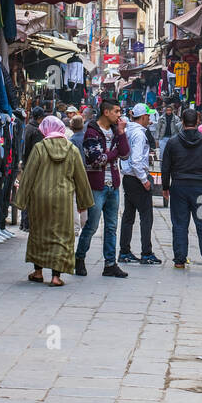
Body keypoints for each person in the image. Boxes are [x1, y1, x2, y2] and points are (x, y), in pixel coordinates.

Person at [15, 115, 93, 286]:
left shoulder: (39, 148)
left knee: (39, 233)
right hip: (63, 199)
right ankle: (56, 277)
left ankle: (37, 272)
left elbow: (28, 175)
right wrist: (84, 203)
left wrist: (21, 200)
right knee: (61, 236)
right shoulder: (71, 149)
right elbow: (81, 177)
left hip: (39, 198)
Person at [161, 106, 202, 271]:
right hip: (201, 188)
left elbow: (166, 167)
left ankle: (179, 259)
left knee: (180, 223)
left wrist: (166, 187)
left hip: (179, 188)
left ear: (182, 122)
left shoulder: (173, 142)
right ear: (198, 121)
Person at [77, 98, 131, 278]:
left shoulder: (116, 132)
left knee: (111, 226)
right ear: (106, 112)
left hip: (113, 185)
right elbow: (96, 159)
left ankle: (110, 264)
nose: (119, 115)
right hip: (96, 185)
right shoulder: (91, 133)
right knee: (91, 225)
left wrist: (121, 134)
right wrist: (112, 153)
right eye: (116, 111)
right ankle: (80, 257)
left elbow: (125, 154)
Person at [119, 103, 161, 265]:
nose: (149, 119)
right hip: (137, 178)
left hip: (128, 177)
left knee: (128, 216)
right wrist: (144, 180)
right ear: (142, 117)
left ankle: (125, 251)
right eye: (148, 116)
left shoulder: (128, 131)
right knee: (146, 217)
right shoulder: (139, 134)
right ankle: (146, 252)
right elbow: (136, 160)